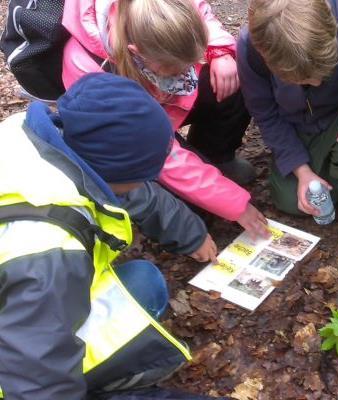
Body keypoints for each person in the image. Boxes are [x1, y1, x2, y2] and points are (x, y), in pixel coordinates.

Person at [0, 74, 211, 398]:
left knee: (145, 282)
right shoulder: (49, 254)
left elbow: (131, 192)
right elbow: (38, 386)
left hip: (20, 313)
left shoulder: (37, 137)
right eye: (141, 176)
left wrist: (191, 235)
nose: (144, 184)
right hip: (15, 371)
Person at [62, 0, 269, 238]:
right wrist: (234, 204)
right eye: (174, 71)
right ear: (135, 52)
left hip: (164, 102)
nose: (186, 74)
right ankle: (206, 180)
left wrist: (220, 52)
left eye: (191, 64)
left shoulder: (166, 7)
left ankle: (216, 159)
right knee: (196, 215)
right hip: (138, 138)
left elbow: (200, 12)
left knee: (229, 80)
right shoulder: (90, 70)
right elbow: (158, 152)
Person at [237, 0, 338, 216]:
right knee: (291, 201)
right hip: (298, 128)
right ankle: (335, 174)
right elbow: (265, 114)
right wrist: (302, 170)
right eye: (303, 79)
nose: (315, 84)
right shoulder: (251, 50)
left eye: (322, 75)